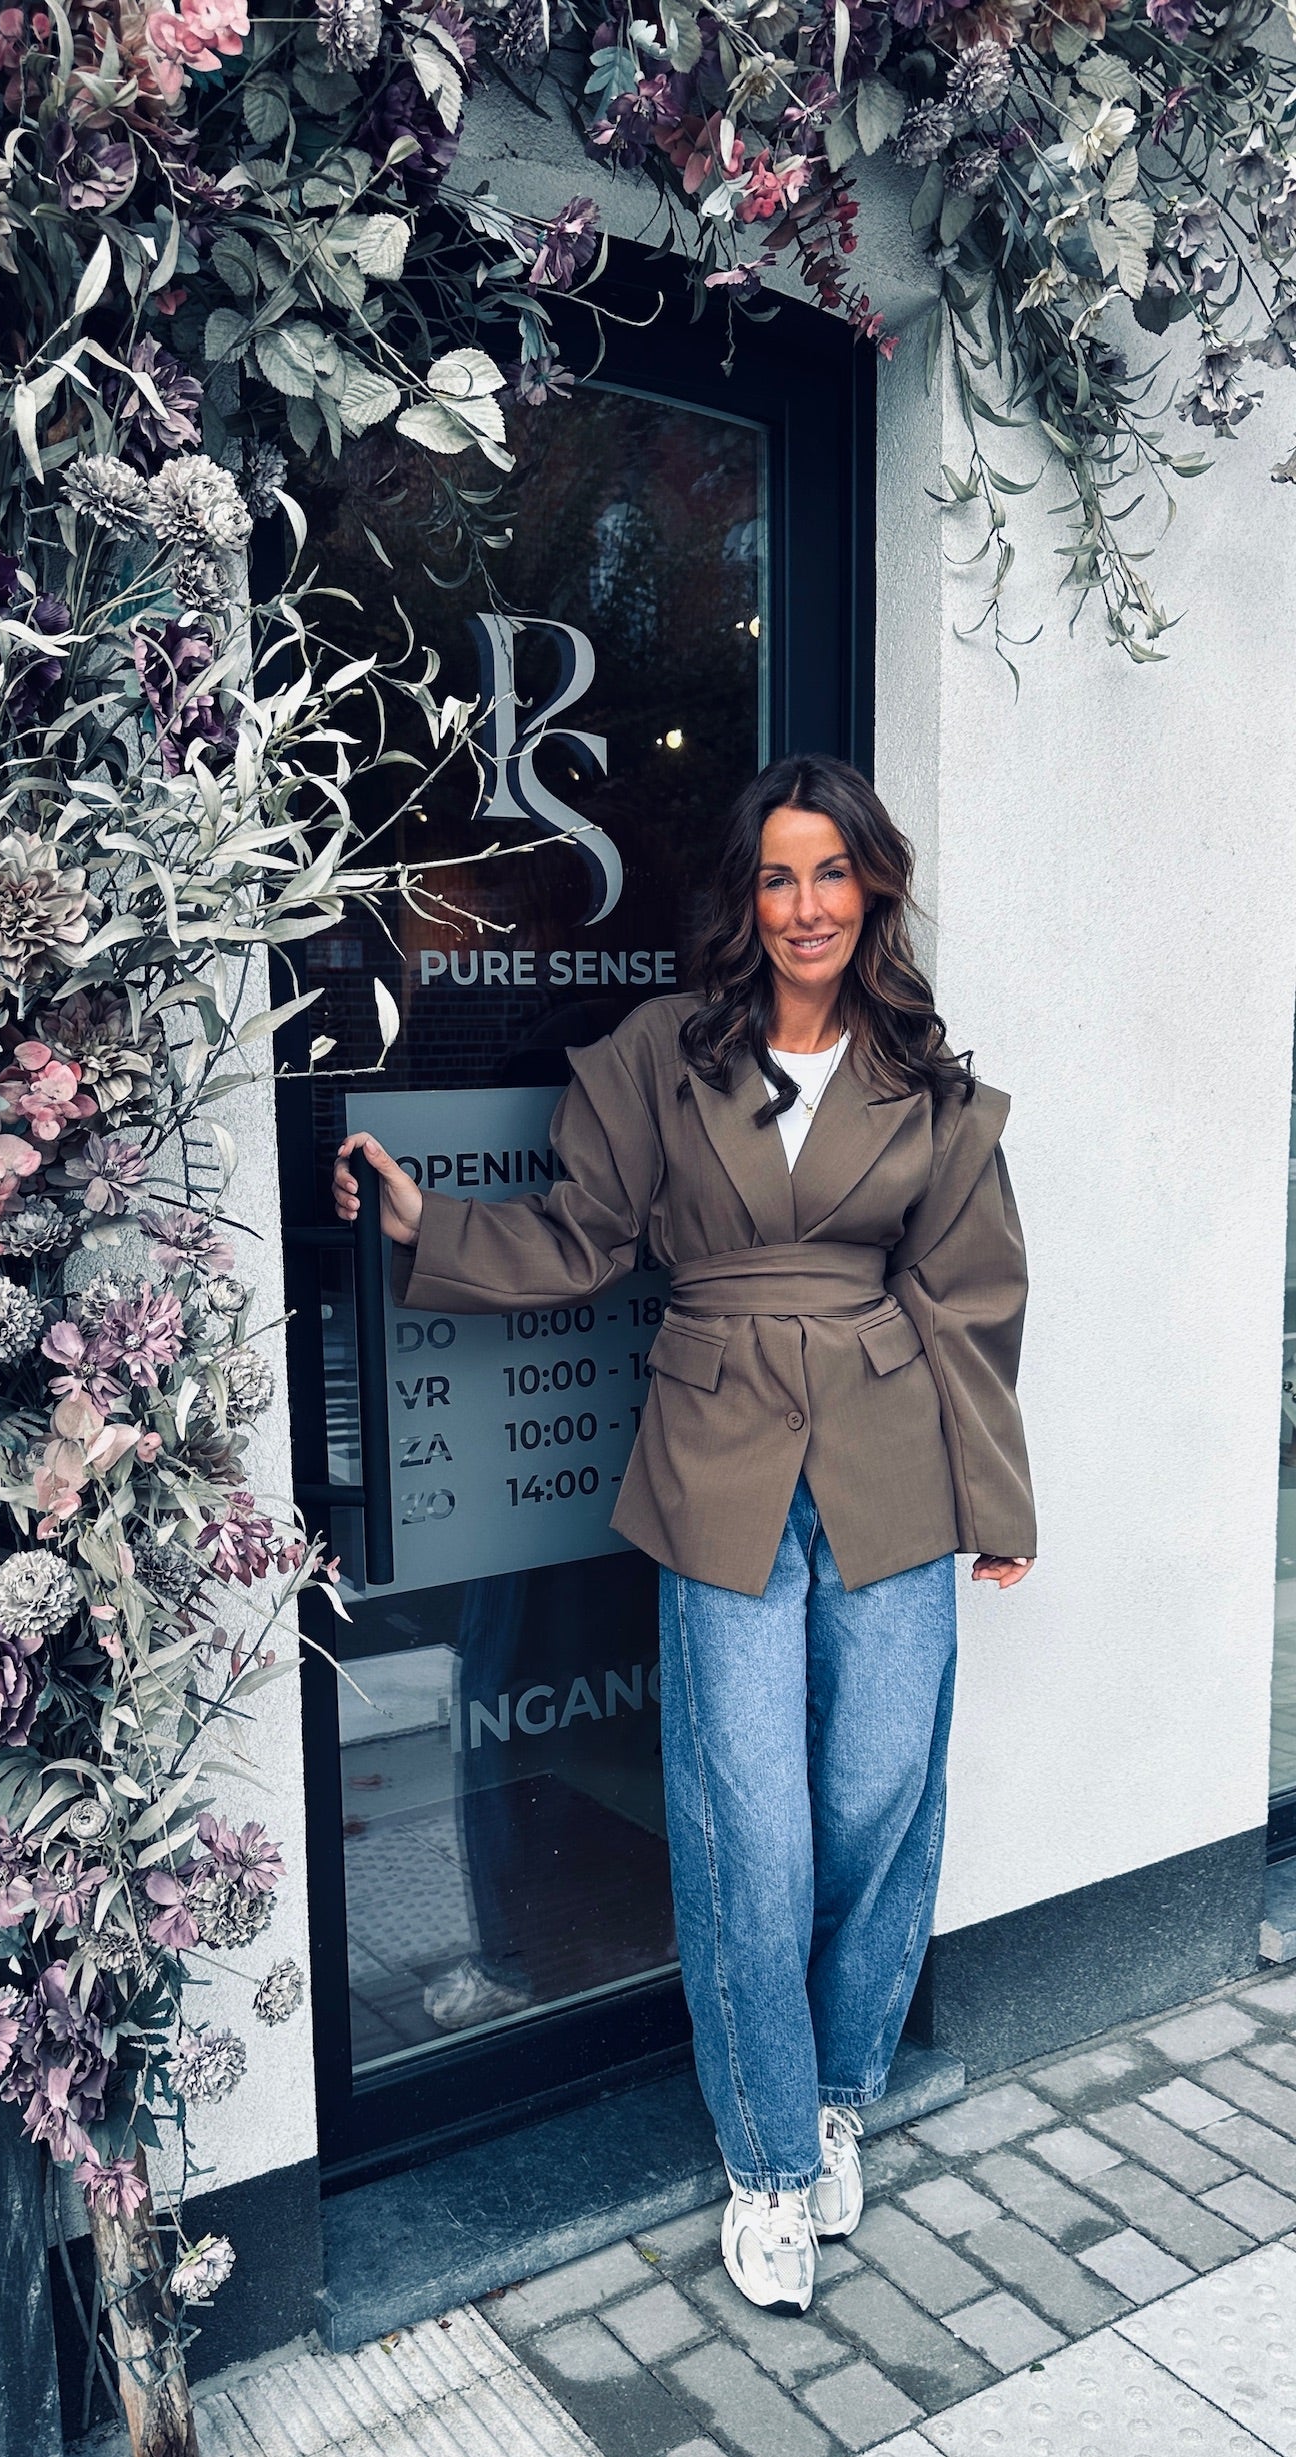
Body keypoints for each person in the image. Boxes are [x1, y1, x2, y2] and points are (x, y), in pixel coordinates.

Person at [334, 754, 1035, 2314]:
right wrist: (426, 1222)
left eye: (833, 872)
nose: (807, 906)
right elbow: (579, 1235)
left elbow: (971, 1298)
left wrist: (996, 1500)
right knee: (749, 1828)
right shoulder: (667, 1052)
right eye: (779, 876)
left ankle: (839, 2082)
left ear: (873, 889)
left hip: (893, 1461)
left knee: (880, 1796)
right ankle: (771, 2157)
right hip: (720, 1456)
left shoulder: (922, 1075)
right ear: (746, 896)